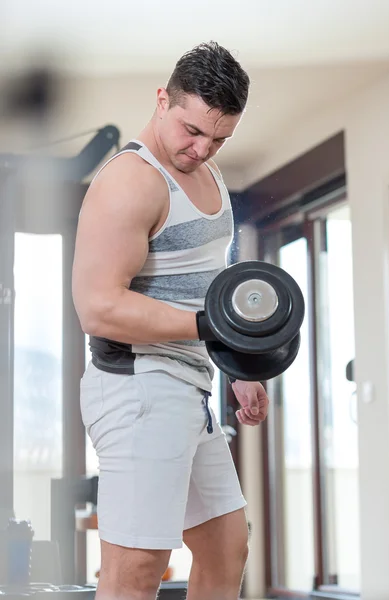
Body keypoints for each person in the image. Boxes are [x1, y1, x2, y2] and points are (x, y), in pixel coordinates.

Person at [72, 41, 269, 600]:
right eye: (191, 130)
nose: (201, 148)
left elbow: (209, 284)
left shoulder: (209, 174)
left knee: (227, 546)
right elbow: (98, 306)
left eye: (219, 138)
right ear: (163, 99)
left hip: (188, 387)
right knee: (136, 569)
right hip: (139, 387)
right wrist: (215, 331)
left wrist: (238, 363)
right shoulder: (131, 180)